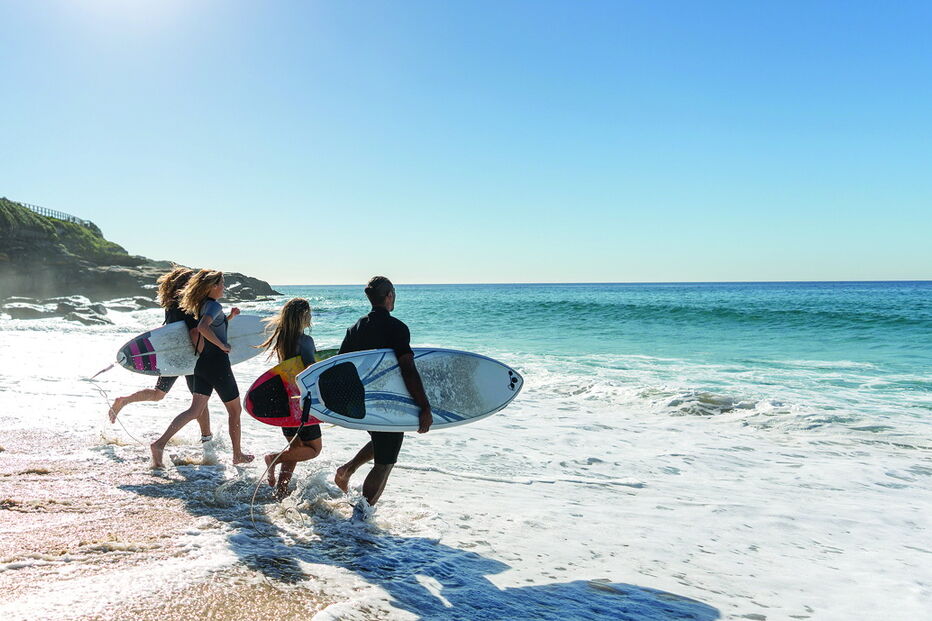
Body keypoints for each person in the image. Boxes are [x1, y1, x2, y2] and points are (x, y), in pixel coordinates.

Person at [333, 276, 432, 510]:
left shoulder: (355, 328)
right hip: (387, 402)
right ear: (389, 296)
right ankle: (362, 517)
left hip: (361, 401)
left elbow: (340, 365)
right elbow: (408, 369)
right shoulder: (397, 328)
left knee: (381, 439)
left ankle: (346, 470)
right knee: (385, 463)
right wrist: (424, 406)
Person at [150, 269, 254, 467]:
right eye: (222, 284)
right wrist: (223, 346)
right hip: (218, 365)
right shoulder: (214, 305)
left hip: (201, 365)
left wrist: (228, 318)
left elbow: (210, 325)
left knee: (194, 410)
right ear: (212, 286)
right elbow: (202, 328)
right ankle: (237, 454)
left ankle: (159, 443)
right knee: (234, 411)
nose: (224, 288)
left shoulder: (200, 305)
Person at [109, 267, 213, 445]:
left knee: (159, 394)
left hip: (172, 356)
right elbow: (195, 332)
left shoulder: (171, 305)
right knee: (199, 399)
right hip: (189, 357)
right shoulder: (186, 306)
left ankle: (124, 401)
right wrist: (205, 354)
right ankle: (207, 439)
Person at [258, 298, 322, 499]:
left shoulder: (283, 339)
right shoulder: (305, 341)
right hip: (302, 404)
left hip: (284, 401)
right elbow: (310, 372)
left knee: (296, 449)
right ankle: (273, 458)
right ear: (303, 316)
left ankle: (281, 491)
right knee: (313, 450)